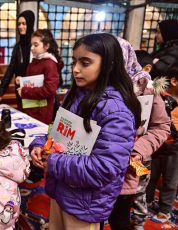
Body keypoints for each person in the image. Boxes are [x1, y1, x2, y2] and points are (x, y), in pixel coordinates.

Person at [29, 33, 142, 230]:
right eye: (75, 61)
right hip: (61, 191)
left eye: (85, 62)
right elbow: (57, 134)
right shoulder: (76, 97)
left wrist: (53, 161)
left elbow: (104, 168)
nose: (75, 69)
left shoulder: (116, 112)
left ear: (109, 64)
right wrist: (40, 145)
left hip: (86, 204)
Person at [106, 37, 170, 230]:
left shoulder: (145, 87)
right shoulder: (91, 85)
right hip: (92, 167)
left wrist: (137, 149)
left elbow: (161, 126)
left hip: (126, 167)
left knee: (119, 219)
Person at [146, 63, 178, 225]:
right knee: (150, 175)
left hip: (175, 148)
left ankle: (165, 209)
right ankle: (147, 201)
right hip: (156, 143)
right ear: (174, 81)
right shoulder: (159, 96)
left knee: (171, 180)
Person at [17, 29, 63, 125]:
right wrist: (22, 80)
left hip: (41, 111)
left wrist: (25, 91)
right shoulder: (35, 61)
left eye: (36, 45)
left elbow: (49, 89)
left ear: (46, 46)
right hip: (31, 107)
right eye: (31, 45)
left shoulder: (50, 64)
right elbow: (34, 80)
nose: (32, 48)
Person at [0, 10, 35, 108]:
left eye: (24, 24)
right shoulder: (18, 46)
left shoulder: (35, 45)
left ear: (30, 24)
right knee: (23, 115)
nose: (20, 27)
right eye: (19, 24)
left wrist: (25, 80)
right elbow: (11, 69)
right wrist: (0, 92)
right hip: (20, 89)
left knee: (32, 116)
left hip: (34, 89)